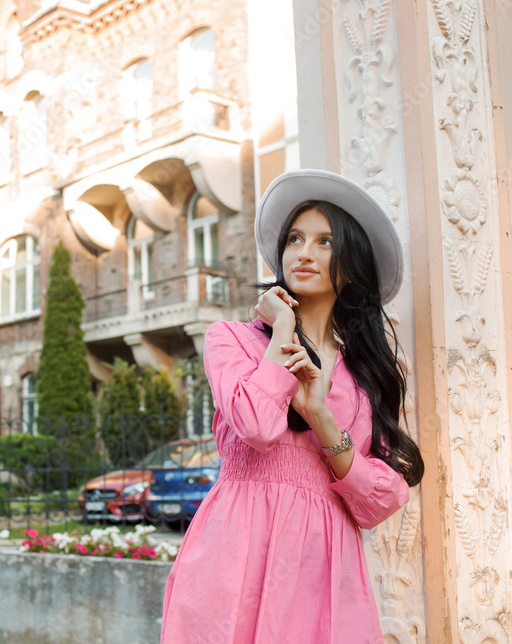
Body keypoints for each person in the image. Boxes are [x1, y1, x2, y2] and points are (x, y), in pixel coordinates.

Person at [160, 169, 425, 644]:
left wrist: (322, 418)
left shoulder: (369, 375)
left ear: (353, 264)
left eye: (325, 242)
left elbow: (380, 500)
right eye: (296, 239)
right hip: (235, 555)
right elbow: (257, 426)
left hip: (323, 567)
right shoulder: (233, 341)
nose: (305, 252)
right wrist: (282, 332)